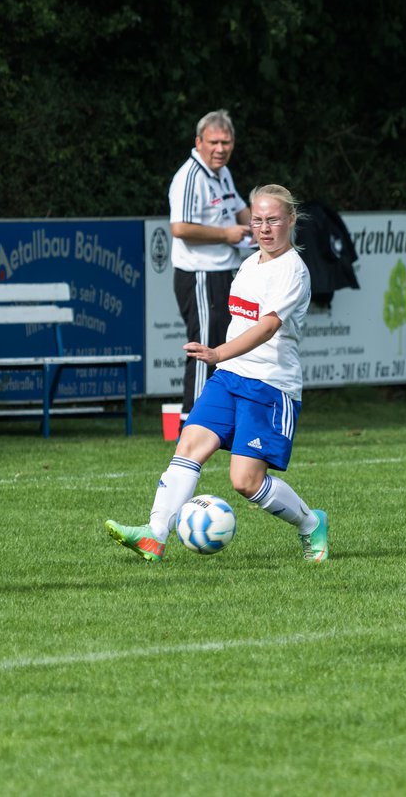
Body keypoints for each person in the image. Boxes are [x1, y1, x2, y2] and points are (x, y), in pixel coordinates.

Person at [106, 184, 328, 562]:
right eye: (257, 220)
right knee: (189, 445)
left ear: (291, 220)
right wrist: (223, 360)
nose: (264, 228)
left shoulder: (293, 271)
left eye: (273, 220)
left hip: (270, 385)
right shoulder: (248, 263)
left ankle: (311, 524)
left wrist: (217, 352)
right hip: (229, 376)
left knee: (245, 482)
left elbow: (268, 327)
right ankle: (154, 535)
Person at [168, 109, 254, 420]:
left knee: (224, 346)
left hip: (222, 271)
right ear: (199, 142)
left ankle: (217, 419)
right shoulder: (190, 176)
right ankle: (190, 421)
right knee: (204, 347)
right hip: (199, 274)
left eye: (226, 142)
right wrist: (226, 234)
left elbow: (241, 208)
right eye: (214, 142)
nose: (220, 149)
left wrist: (261, 228)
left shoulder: (222, 173)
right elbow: (180, 228)